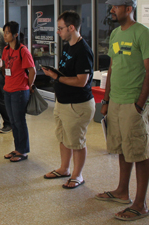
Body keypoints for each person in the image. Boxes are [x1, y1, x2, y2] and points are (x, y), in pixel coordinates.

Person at [95, 0, 149, 221]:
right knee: (122, 148)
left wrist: (140, 104)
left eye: (115, 7)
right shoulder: (114, 34)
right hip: (116, 102)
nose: (111, 11)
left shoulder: (143, 34)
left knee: (139, 153)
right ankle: (122, 191)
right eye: (111, 8)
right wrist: (106, 99)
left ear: (128, 8)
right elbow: (112, 68)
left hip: (134, 103)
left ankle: (141, 204)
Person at [42, 11, 95, 189]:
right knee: (64, 138)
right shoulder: (68, 47)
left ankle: (77, 175)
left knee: (76, 141)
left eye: (60, 28)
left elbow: (81, 81)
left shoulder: (83, 50)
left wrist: (57, 78)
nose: (58, 32)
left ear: (71, 28)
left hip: (77, 104)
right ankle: (64, 169)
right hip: (63, 102)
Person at [1, 21, 36, 162]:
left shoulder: (23, 50)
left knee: (19, 121)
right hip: (8, 90)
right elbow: (5, 66)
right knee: (13, 122)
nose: (5, 35)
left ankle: (23, 151)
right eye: (4, 32)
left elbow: (32, 70)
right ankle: (17, 148)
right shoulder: (6, 50)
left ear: (15, 35)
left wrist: (28, 85)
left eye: (8, 33)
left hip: (20, 91)